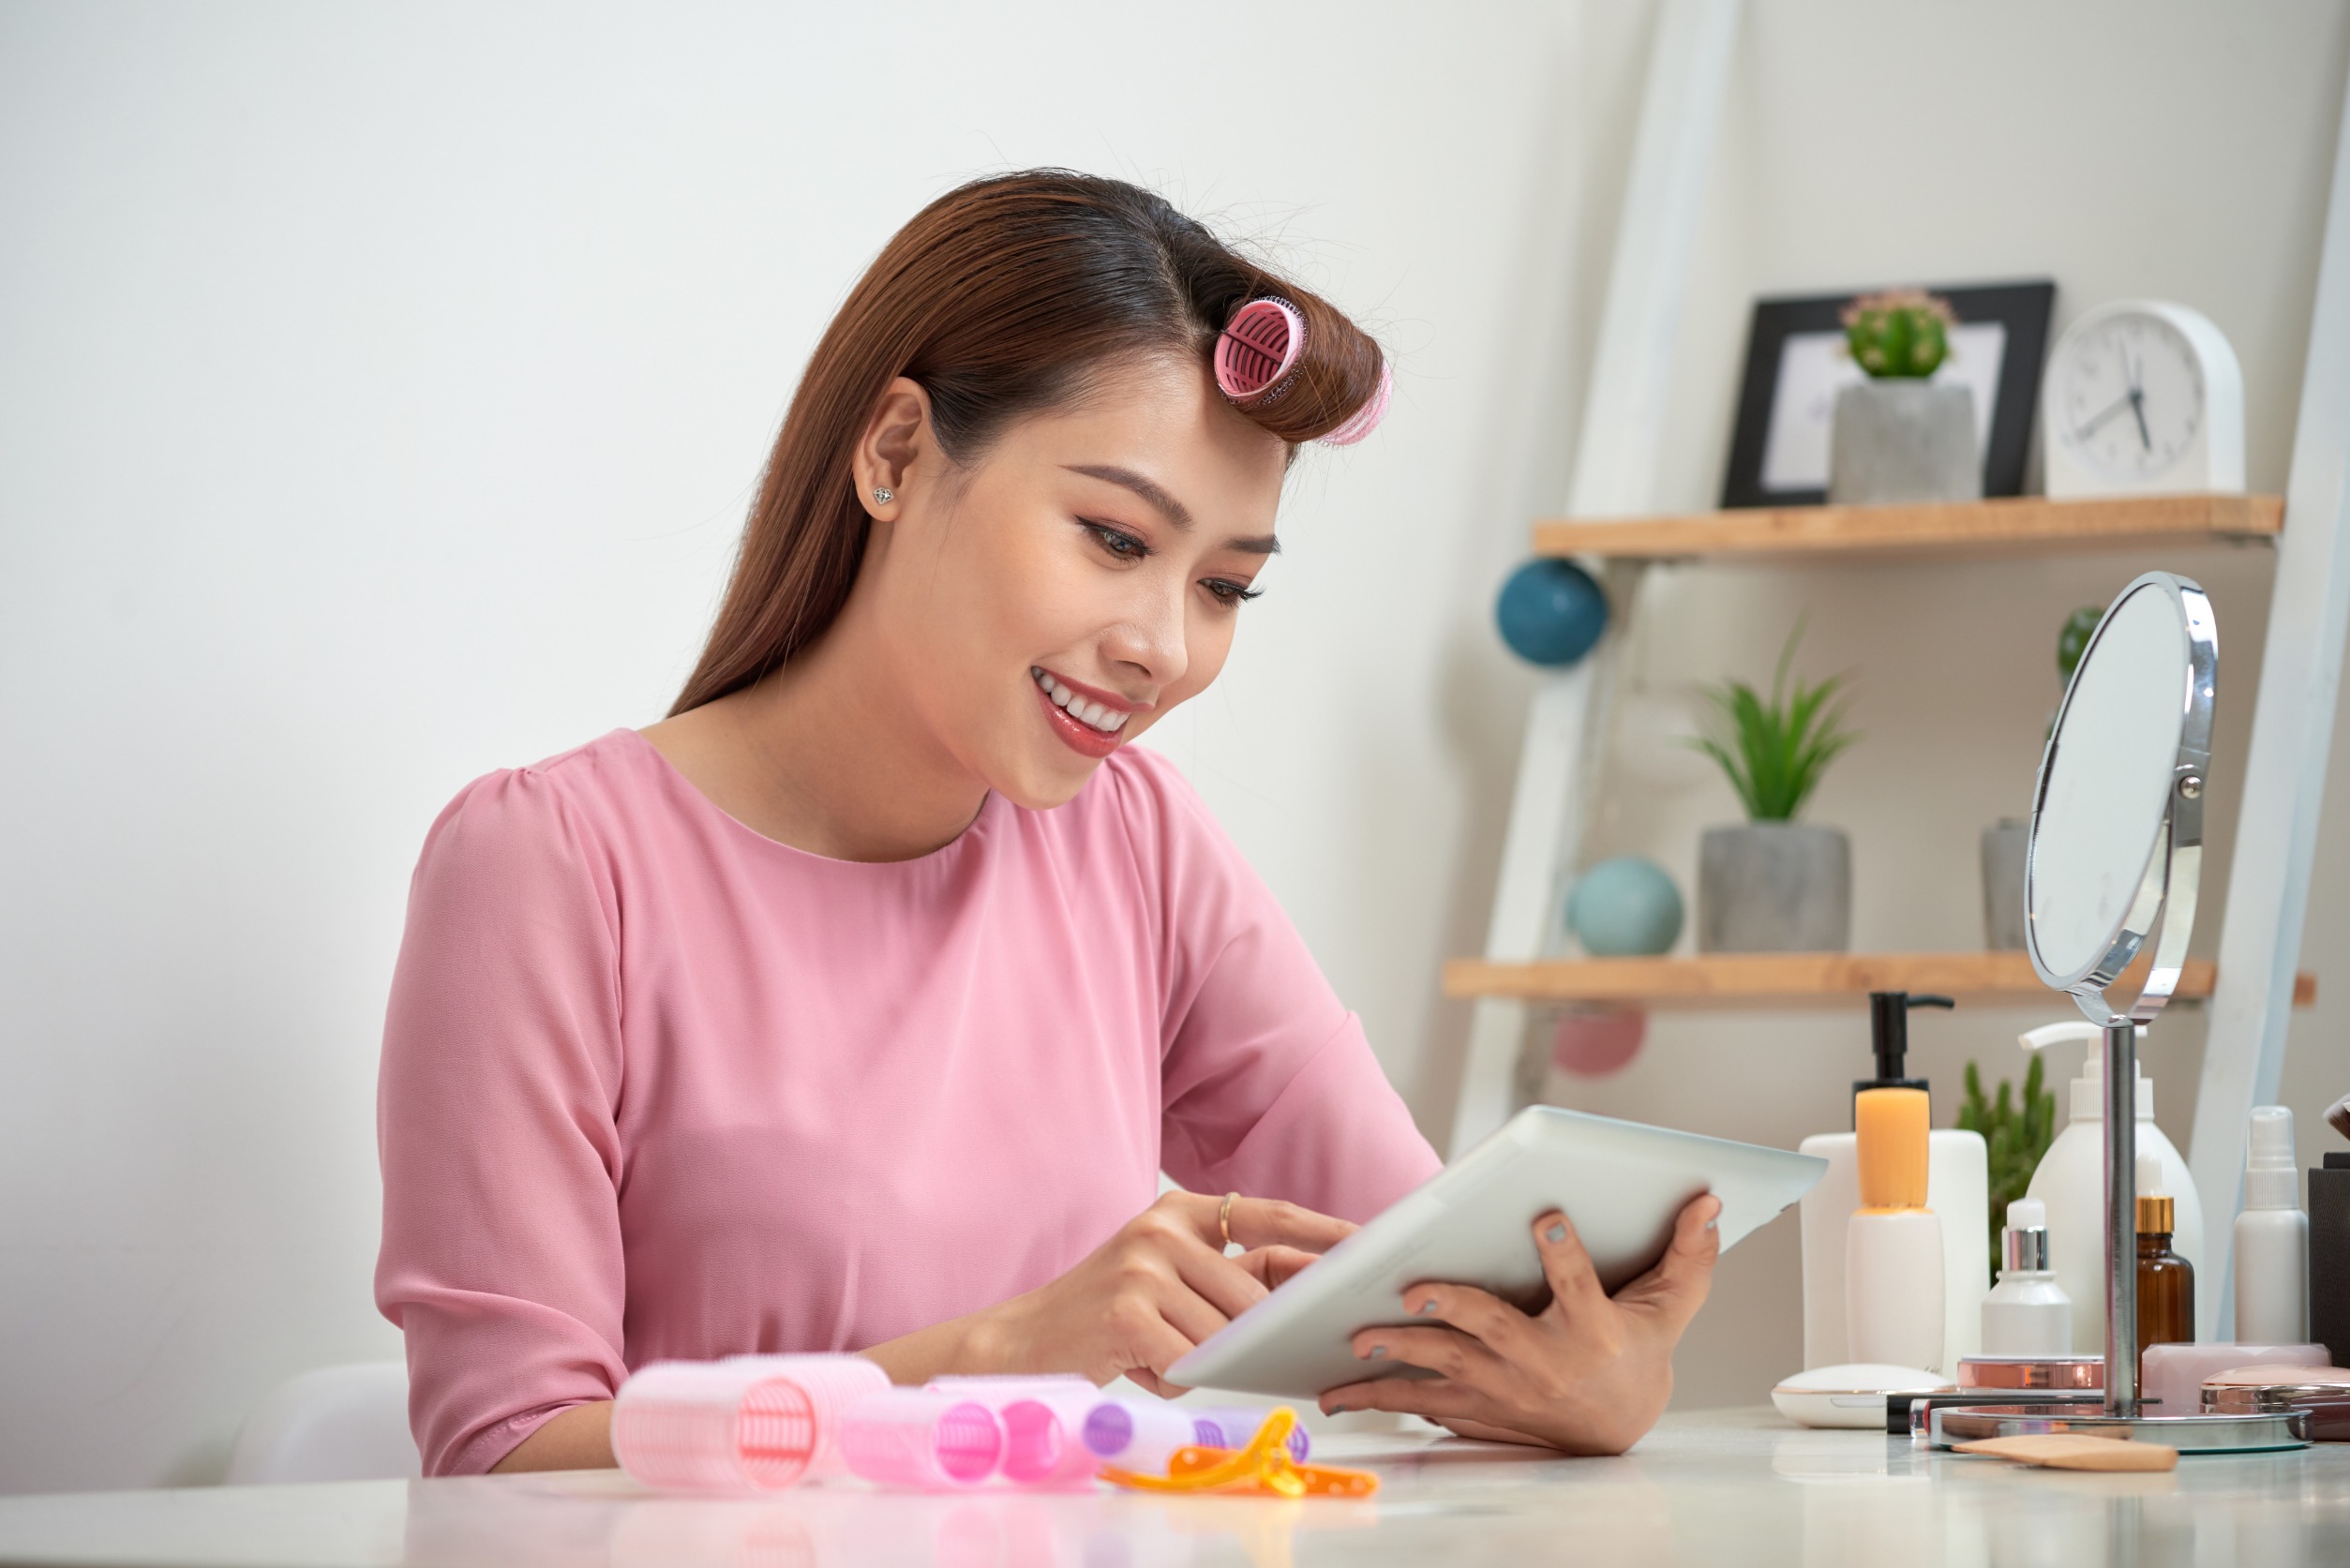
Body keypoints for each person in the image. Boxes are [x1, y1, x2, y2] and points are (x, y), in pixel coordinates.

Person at [374, 171, 1722, 1478]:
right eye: (1116, 538)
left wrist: (1595, 1371)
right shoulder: (551, 866)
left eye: (1225, 588)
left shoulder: (1135, 842)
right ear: (897, 452)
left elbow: (1427, 1270)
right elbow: (504, 1457)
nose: (1162, 647)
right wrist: (1001, 1348)